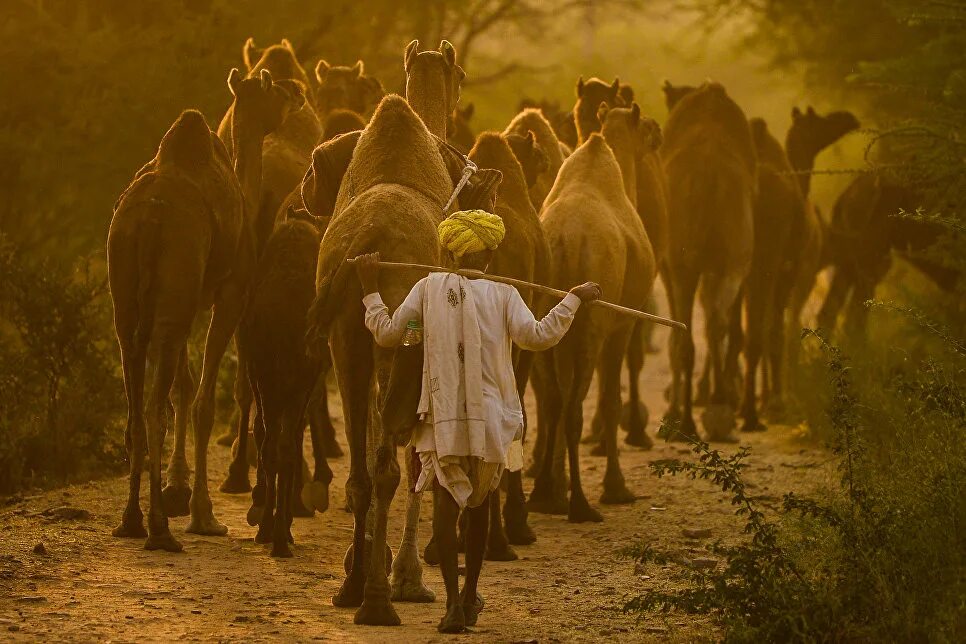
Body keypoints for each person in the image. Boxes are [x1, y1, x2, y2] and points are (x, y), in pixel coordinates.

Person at [355, 209, 600, 634]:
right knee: (482, 510)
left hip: (441, 426)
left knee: (445, 513)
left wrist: (370, 290)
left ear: (447, 253)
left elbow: (390, 335)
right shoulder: (504, 294)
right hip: (493, 426)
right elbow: (538, 336)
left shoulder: (426, 288)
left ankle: (451, 604)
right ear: (489, 256)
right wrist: (574, 298)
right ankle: (470, 597)